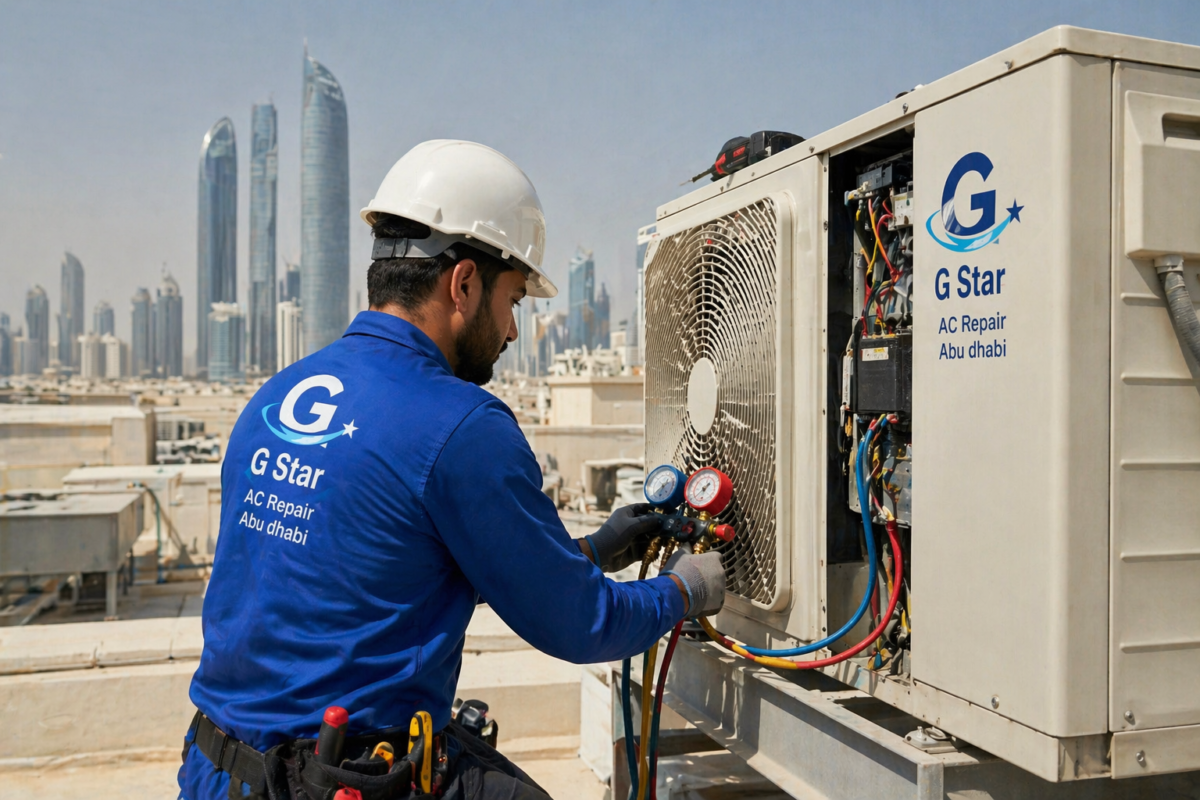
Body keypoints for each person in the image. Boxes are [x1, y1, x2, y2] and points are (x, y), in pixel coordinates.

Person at [178, 140, 726, 800]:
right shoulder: (460, 424)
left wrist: (595, 549)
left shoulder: (277, 395)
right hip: (329, 780)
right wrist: (685, 589)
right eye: (514, 300)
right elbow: (582, 623)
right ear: (463, 284)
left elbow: (391, 570)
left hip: (216, 769)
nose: (513, 332)